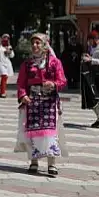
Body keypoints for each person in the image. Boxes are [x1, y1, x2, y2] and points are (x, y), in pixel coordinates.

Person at [14, 33, 68, 176]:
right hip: (32, 101)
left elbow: (62, 81)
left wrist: (53, 83)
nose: (35, 46)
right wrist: (23, 95)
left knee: (50, 132)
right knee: (33, 133)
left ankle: (51, 164)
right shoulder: (27, 64)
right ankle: (34, 161)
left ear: (44, 45)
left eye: (38, 43)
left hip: (49, 102)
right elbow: (21, 83)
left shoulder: (54, 62)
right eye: (33, 43)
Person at [82, 30, 99, 128]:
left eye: (90, 41)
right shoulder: (94, 48)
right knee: (93, 98)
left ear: (95, 39)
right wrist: (89, 57)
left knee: (98, 98)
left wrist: (91, 59)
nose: (89, 43)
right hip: (95, 75)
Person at [0, 34, 15, 98]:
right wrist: (0, 43)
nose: (6, 39)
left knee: (5, 77)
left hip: (7, 63)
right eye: (4, 38)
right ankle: (2, 93)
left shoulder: (9, 47)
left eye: (7, 38)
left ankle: (3, 91)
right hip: (0, 63)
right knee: (4, 76)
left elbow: (12, 56)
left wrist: (9, 50)